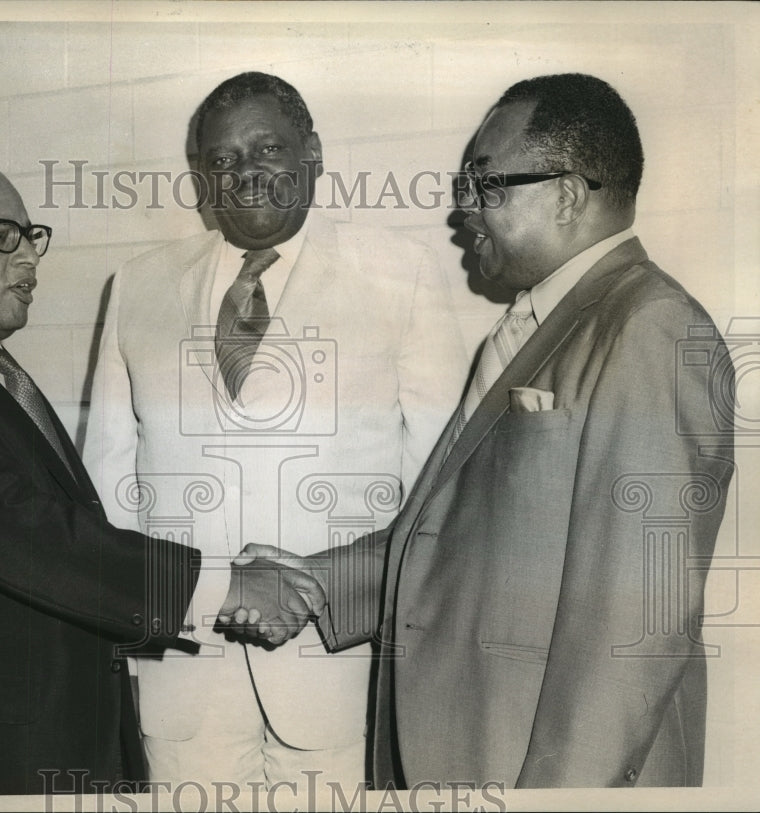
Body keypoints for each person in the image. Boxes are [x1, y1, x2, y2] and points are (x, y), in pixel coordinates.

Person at [235, 73, 736, 788]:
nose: (462, 210)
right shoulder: (537, 327)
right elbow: (465, 534)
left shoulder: (649, 328)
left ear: (566, 195)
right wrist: (318, 580)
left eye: (485, 184)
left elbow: (633, 635)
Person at [0, 159, 321, 796]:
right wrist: (223, 585)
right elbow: (25, 533)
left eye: (30, 236)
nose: (29, 260)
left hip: (21, 743)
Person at [85, 72, 467, 790]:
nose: (245, 173)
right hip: (184, 667)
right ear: (203, 176)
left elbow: (439, 489)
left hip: (341, 663)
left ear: (312, 152)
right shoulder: (136, 283)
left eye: (267, 148)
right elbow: (111, 482)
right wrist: (150, 628)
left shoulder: (401, 273)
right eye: (222, 160)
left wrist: (336, 597)